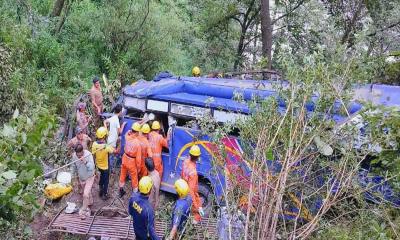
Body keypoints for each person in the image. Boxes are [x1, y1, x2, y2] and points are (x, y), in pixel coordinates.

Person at [181, 145, 204, 223]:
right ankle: (193, 223)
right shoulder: (193, 173)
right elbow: (191, 192)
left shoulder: (185, 161)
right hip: (190, 192)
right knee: (198, 210)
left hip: (183, 188)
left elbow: (182, 174)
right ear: (197, 157)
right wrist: (195, 206)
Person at [71, 144, 95, 219]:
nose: (79, 157)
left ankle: (84, 210)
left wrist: (85, 162)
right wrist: (73, 176)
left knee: (85, 194)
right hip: (82, 177)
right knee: (87, 193)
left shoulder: (88, 154)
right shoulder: (74, 156)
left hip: (89, 177)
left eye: (80, 155)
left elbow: (92, 167)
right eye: (78, 156)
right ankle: (90, 203)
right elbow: (73, 166)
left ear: (83, 151)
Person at [92, 127, 115, 200]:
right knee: (106, 181)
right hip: (105, 167)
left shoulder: (94, 144)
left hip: (99, 165)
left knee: (101, 177)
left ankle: (100, 190)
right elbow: (114, 151)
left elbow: (93, 154)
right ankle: (104, 194)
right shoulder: (107, 147)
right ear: (104, 136)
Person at [119, 122, 142, 197]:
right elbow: (138, 159)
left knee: (122, 174)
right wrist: (138, 168)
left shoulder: (127, 137)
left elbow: (126, 134)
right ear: (138, 132)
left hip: (125, 158)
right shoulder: (137, 143)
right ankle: (135, 194)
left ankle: (121, 190)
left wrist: (128, 132)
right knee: (134, 178)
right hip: (132, 162)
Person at [104, 104, 126, 172]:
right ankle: (111, 170)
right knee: (111, 156)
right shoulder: (116, 120)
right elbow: (120, 132)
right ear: (120, 112)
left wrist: (106, 130)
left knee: (110, 156)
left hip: (109, 139)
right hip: (112, 141)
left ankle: (110, 168)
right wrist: (123, 125)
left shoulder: (113, 117)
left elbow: (105, 121)